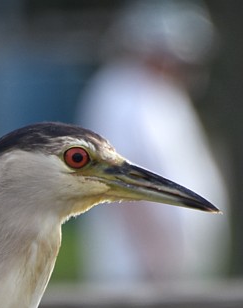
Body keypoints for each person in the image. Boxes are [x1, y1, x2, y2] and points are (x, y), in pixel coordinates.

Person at [77, 0, 229, 285]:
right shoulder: (121, 93)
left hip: (170, 272)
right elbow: (122, 182)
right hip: (141, 275)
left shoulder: (162, 93)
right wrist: (158, 262)